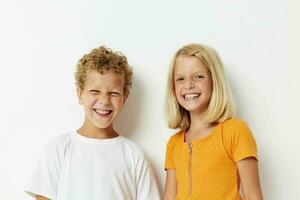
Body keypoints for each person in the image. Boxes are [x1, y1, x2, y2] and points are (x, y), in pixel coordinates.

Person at [26, 46, 160, 200]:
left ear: (125, 98)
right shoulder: (58, 149)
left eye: (114, 93)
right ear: (80, 93)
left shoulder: (134, 155)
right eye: (95, 91)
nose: (104, 100)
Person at [163, 43, 263, 200]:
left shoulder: (234, 131)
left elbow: (254, 196)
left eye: (199, 76)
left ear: (214, 81)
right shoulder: (174, 144)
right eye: (180, 79)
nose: (188, 85)